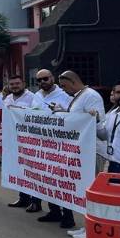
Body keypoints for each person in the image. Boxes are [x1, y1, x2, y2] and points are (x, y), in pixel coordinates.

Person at [57, 70, 107, 238]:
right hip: (82, 151)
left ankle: (92, 230)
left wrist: (93, 117)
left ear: (73, 81)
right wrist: (62, 112)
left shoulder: (91, 96)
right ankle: (87, 226)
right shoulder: (79, 96)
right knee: (86, 190)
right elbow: (77, 118)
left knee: (92, 190)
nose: (63, 89)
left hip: (93, 151)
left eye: (64, 86)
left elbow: (97, 121)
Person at [31, 70, 75, 228]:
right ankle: (54, 211)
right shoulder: (36, 96)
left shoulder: (64, 96)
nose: (42, 82)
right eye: (39, 80)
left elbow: (72, 117)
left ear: (52, 78)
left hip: (60, 145)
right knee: (47, 179)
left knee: (62, 181)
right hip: (42, 145)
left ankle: (68, 215)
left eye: (45, 78)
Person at [3, 75, 37, 209]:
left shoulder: (33, 97)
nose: (15, 86)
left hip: (29, 140)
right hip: (13, 140)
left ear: (23, 83)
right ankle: (23, 198)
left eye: (17, 83)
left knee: (32, 171)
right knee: (20, 170)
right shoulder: (8, 99)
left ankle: (35, 201)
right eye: (12, 84)